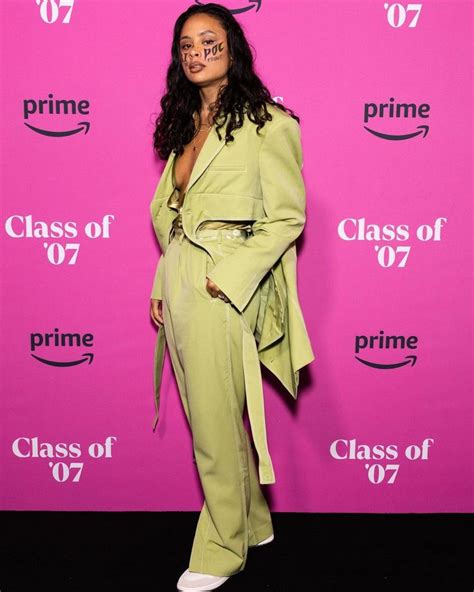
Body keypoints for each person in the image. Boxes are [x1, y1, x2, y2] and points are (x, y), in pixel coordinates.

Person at [149, 4, 315, 590]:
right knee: (212, 414)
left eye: (208, 42)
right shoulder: (186, 123)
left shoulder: (270, 124)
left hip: (222, 285)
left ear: (232, 48)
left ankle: (221, 546)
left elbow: (287, 217)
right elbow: (176, 218)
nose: (195, 53)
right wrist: (161, 285)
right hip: (181, 281)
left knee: (215, 425)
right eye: (186, 45)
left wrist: (230, 276)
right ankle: (252, 520)